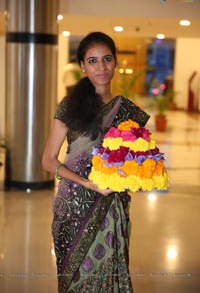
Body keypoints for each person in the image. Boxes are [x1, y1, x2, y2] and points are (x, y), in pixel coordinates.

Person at [42, 31, 150, 293]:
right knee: (74, 280)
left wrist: (135, 176)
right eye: (92, 61)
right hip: (74, 205)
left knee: (110, 273)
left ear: (115, 62)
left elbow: (137, 158)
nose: (101, 67)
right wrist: (86, 183)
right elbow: (47, 159)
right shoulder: (70, 106)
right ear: (82, 66)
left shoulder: (128, 110)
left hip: (113, 203)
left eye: (106, 59)